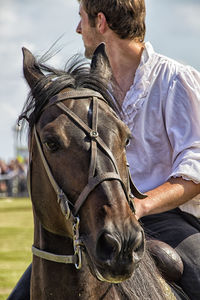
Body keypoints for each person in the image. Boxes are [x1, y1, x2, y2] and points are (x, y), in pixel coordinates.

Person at [76, 0, 200, 299]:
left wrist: (140, 205)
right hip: (99, 220)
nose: (78, 28)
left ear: (101, 22)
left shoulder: (174, 79)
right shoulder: (90, 91)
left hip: (169, 219)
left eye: (81, 18)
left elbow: (196, 168)